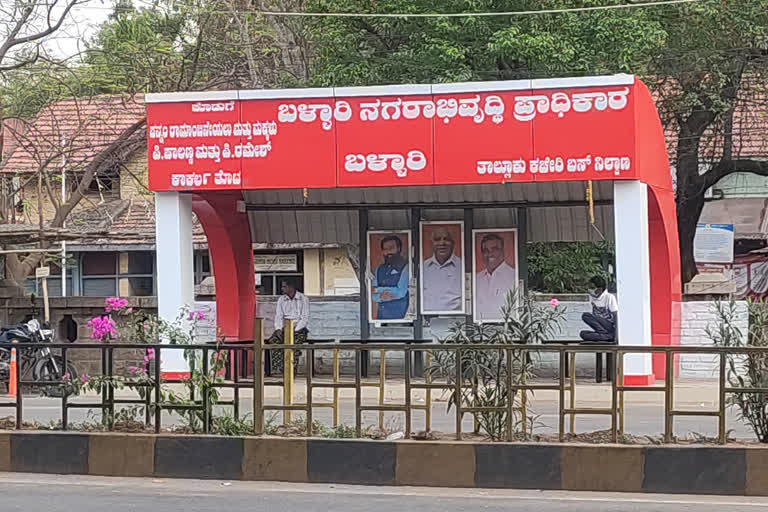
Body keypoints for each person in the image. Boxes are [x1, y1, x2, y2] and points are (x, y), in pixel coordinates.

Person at [267, 280, 310, 374]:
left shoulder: (303, 298)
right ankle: (281, 368)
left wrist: (295, 330)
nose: (282, 289)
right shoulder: (281, 299)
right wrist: (278, 329)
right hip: (285, 328)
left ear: (291, 287)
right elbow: (278, 316)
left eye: (284, 286)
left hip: (299, 329)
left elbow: (304, 318)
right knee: (274, 341)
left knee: (293, 344)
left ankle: (291, 369)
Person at [475, 233, 517, 321]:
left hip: (506, 329)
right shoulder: (476, 279)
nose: (490, 254)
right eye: (485, 250)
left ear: (502, 251)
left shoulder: (513, 276)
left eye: (494, 249)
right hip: (480, 329)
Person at [422, 226, 463, 312]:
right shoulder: (423, 267)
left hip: (457, 320)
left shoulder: (463, 266)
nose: (442, 243)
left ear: (453, 243)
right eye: (437, 239)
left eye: (446, 239)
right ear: (432, 244)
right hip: (426, 320)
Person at [372, 235, 409, 320]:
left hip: (401, 316)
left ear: (399, 249)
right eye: (385, 249)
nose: (388, 252)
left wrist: (378, 290)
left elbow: (401, 292)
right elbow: (373, 295)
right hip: (381, 316)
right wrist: (380, 297)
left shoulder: (406, 267)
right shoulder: (379, 269)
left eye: (391, 248)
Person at [580, 276, 618, 343]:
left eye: (592, 288)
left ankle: (606, 334)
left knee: (585, 315)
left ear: (599, 289)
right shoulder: (593, 298)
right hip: (601, 328)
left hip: (609, 325)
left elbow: (616, 317)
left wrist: (616, 336)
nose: (589, 289)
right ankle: (607, 336)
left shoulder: (609, 297)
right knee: (583, 334)